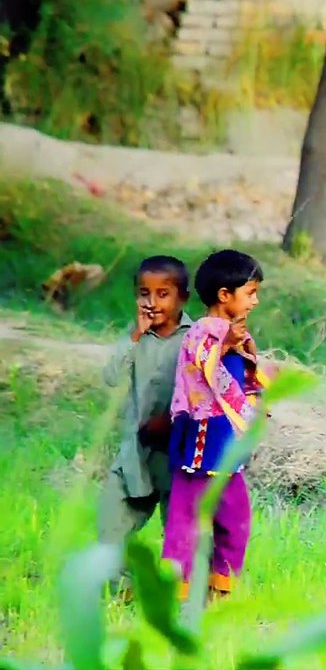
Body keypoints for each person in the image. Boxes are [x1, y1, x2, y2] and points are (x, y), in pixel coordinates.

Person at [162, 248, 270, 602]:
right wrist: (226, 344)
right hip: (203, 440)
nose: (255, 301)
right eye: (250, 292)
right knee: (187, 518)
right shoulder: (204, 332)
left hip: (226, 444)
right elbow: (204, 358)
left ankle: (219, 586)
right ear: (225, 295)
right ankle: (174, 592)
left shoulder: (231, 333)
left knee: (234, 516)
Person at [98, 255, 194, 597]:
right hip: (135, 454)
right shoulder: (138, 337)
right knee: (110, 526)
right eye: (144, 293)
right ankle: (122, 594)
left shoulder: (194, 339)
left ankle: (187, 602)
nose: (152, 302)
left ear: (182, 297)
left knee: (182, 536)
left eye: (163, 293)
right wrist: (135, 337)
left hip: (176, 456)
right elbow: (111, 377)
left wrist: (170, 421)